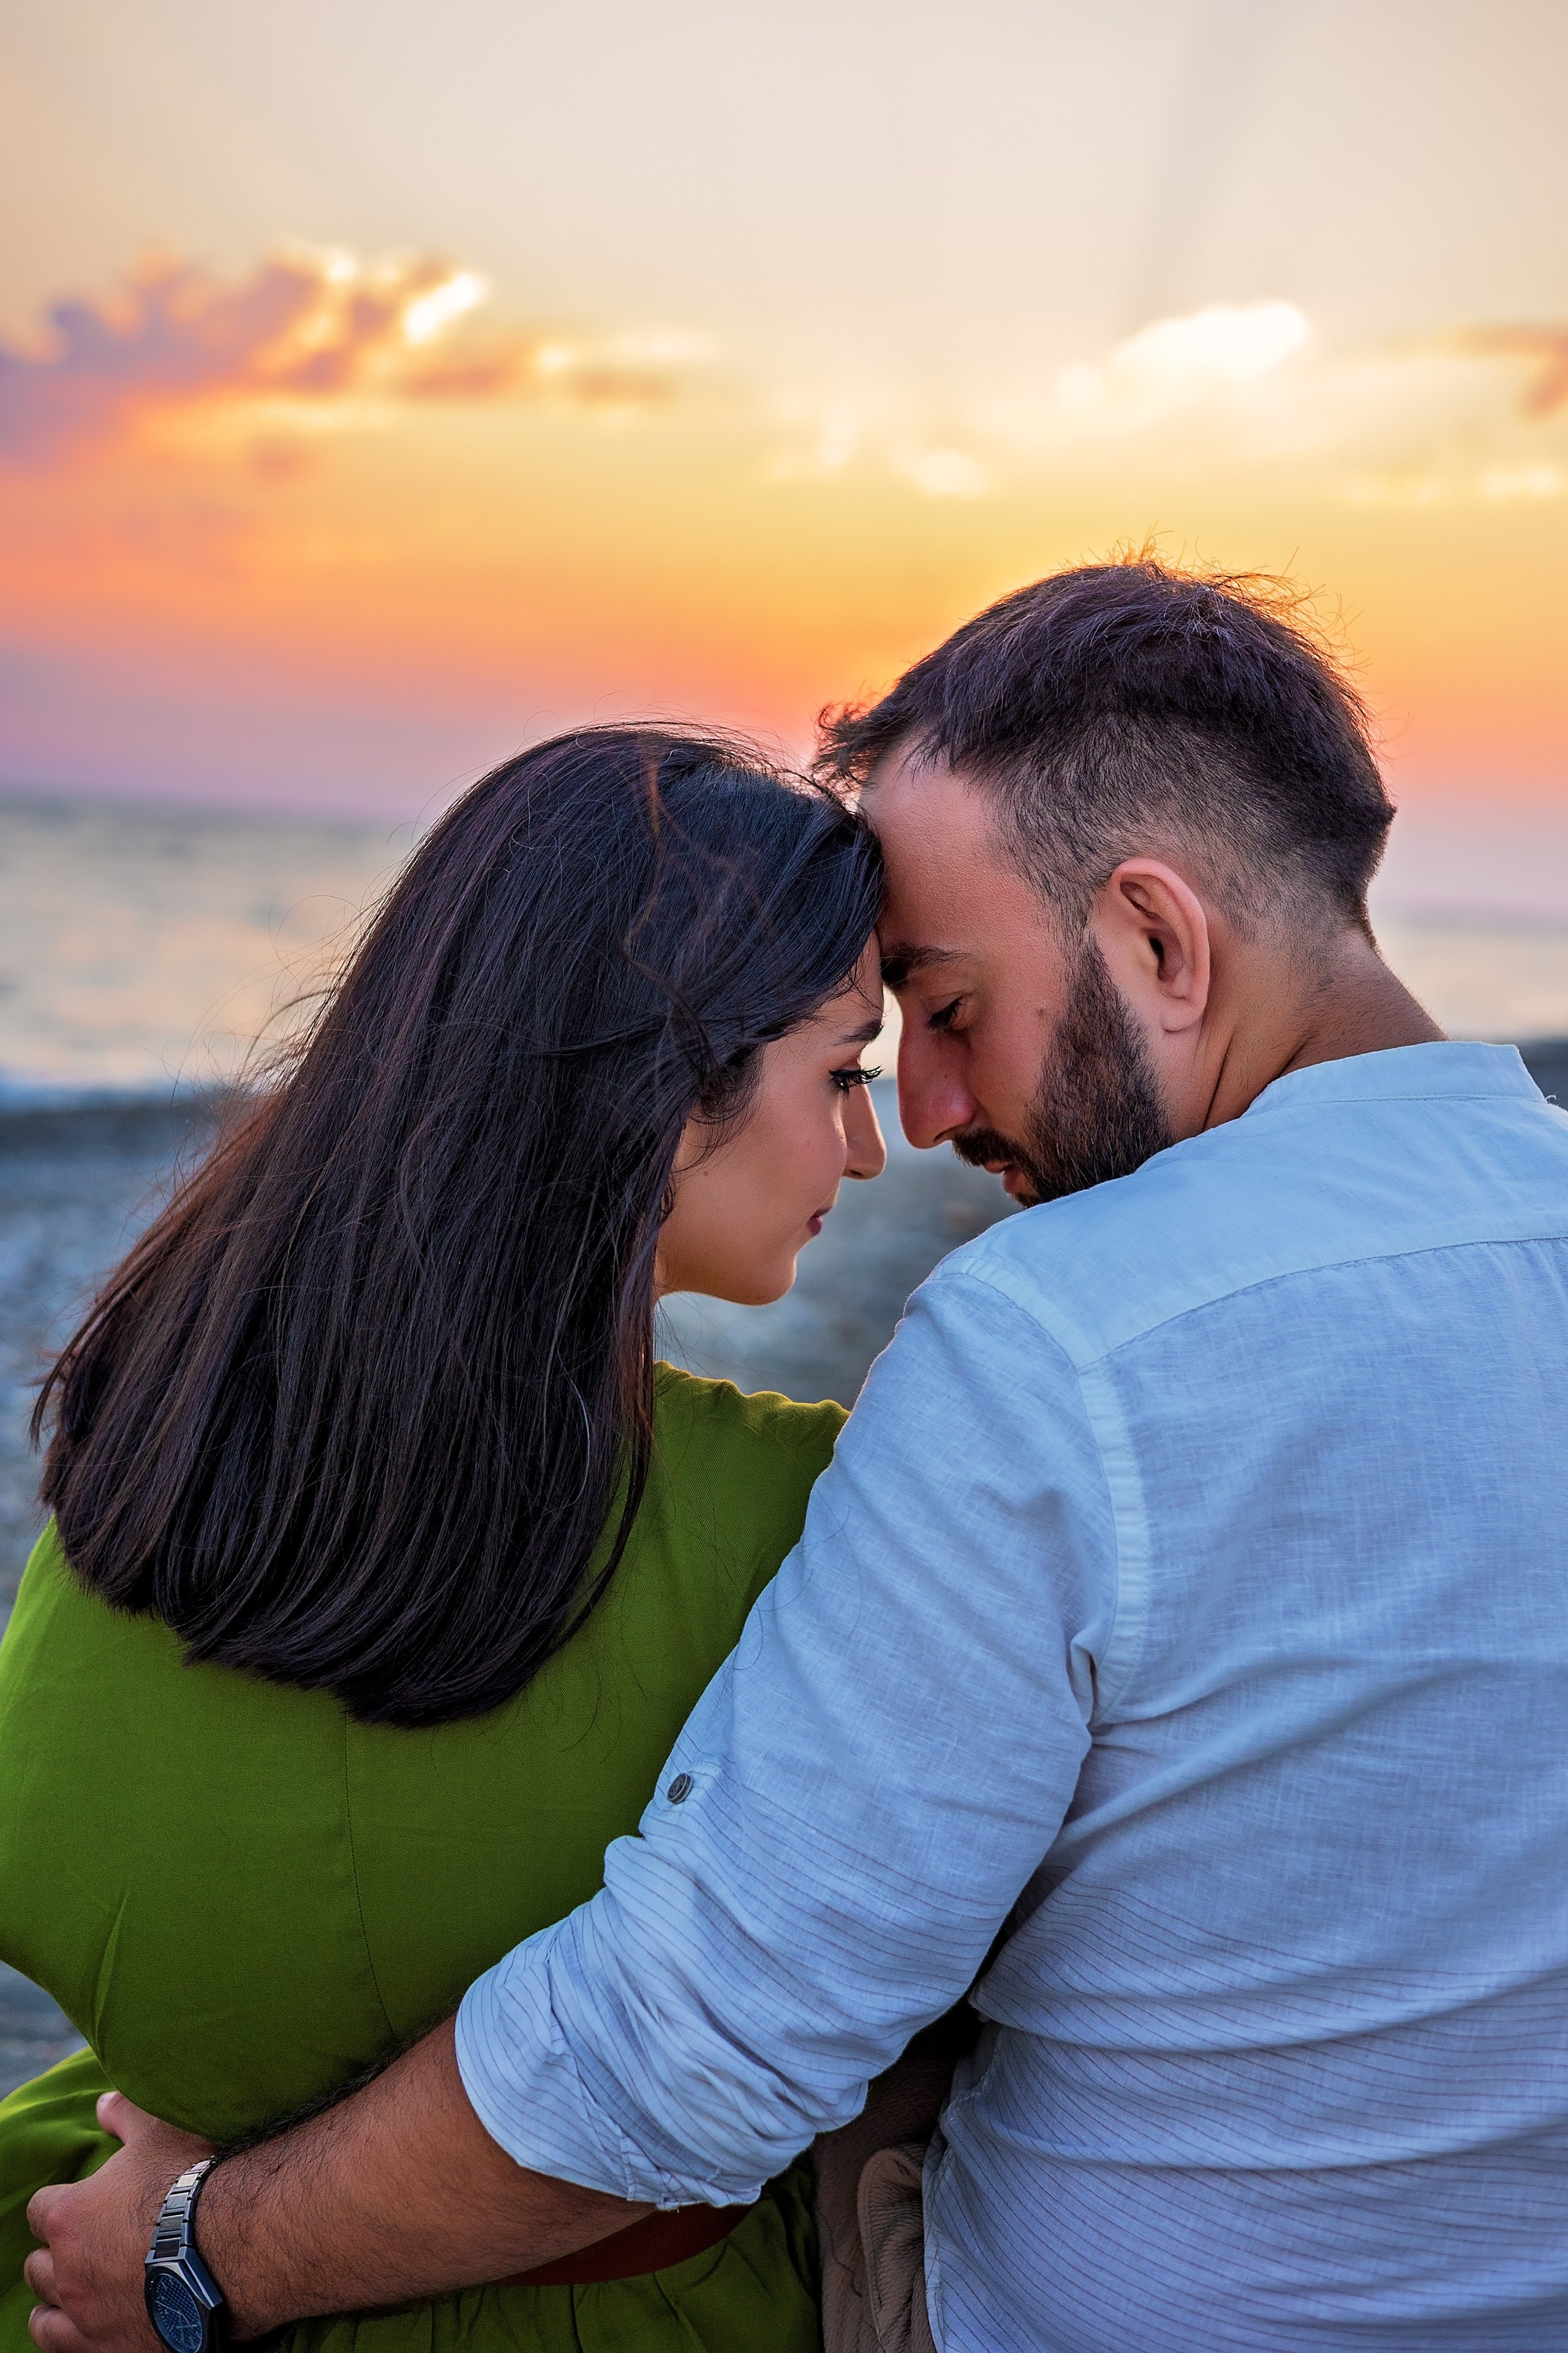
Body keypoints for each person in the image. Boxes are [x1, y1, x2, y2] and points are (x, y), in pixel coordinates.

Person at [28, 559, 1568, 2352]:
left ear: (1160, 940)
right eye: (871, 1049)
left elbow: (701, 2043)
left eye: (951, 1007)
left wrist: (206, 2252)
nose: (923, 1117)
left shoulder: (1063, 1339)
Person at [0, 724, 891, 2353]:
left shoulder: (153, 1436)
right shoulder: (809, 1519)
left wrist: (217, 2156)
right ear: (664, 1070)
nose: (870, 1147)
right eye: (843, 1071)